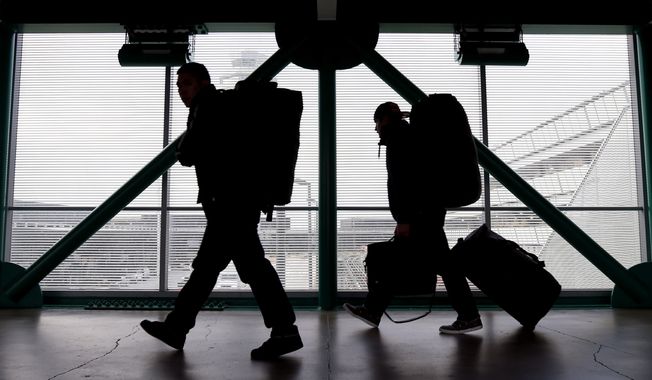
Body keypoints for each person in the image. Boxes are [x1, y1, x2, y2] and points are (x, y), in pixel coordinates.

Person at [140, 62, 303, 360]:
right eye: (178, 85)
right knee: (215, 267)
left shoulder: (209, 105)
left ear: (203, 83)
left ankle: (284, 330)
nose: (180, 90)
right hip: (236, 200)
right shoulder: (221, 105)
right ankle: (178, 328)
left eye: (186, 83)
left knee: (242, 267)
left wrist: (184, 149)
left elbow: (188, 154)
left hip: (230, 202)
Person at [343, 101, 483, 334]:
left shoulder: (400, 138)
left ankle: (469, 316)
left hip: (420, 215)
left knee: (439, 265)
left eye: (376, 123)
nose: (375, 129)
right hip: (428, 211)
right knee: (411, 261)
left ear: (384, 120)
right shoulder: (409, 135)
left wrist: (404, 219)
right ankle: (373, 310)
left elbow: (405, 182)